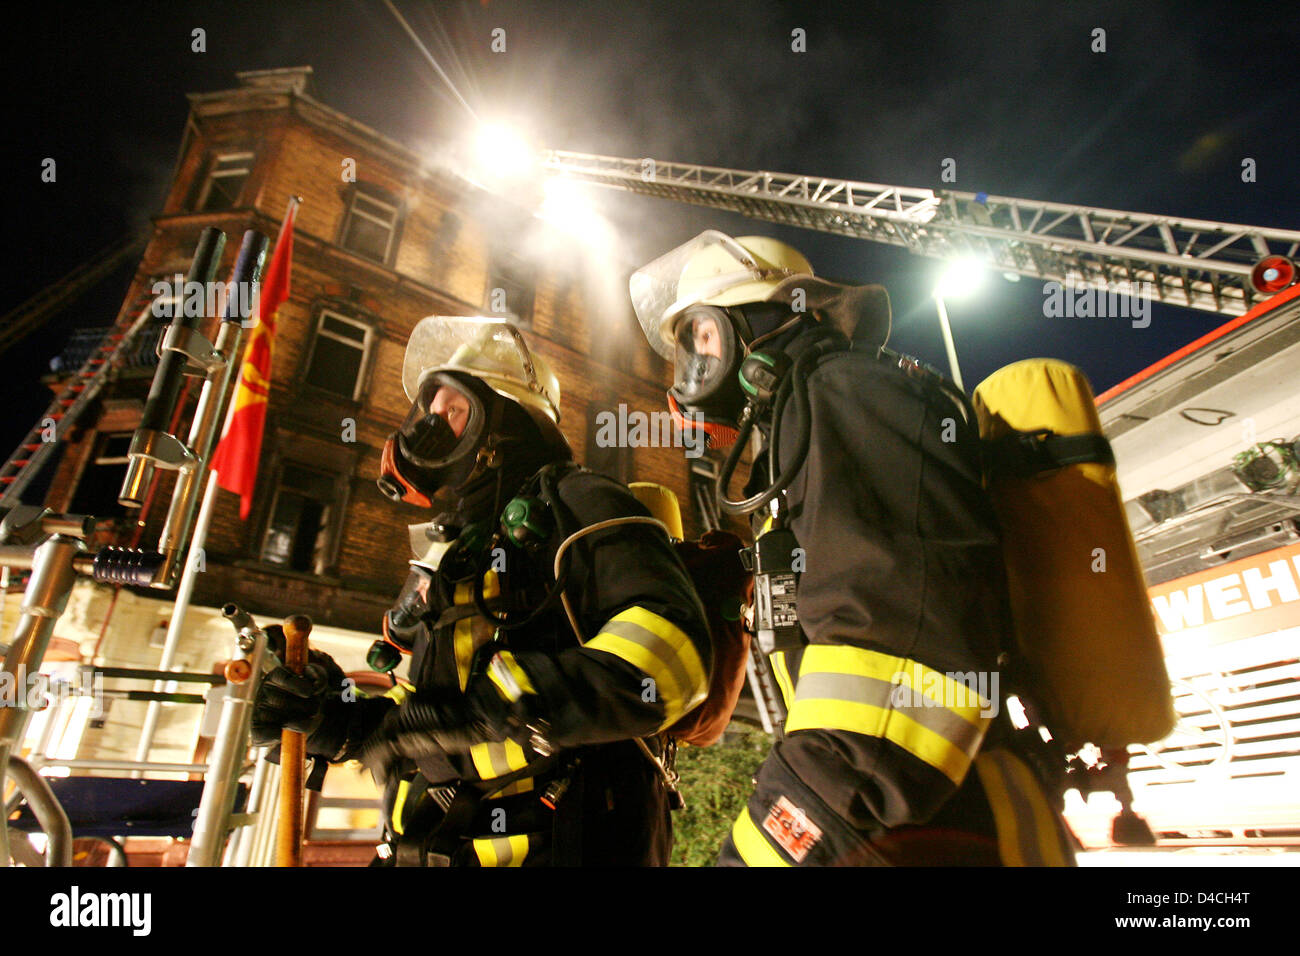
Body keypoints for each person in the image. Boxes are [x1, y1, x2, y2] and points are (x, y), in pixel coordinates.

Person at [631, 231, 1076, 866]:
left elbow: (897, 666)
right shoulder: (803, 428)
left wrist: (771, 846)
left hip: (937, 827)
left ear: (759, 321)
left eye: (698, 334)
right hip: (917, 818)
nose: (691, 362)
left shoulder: (843, 393)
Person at [253, 317, 711, 866]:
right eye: (431, 412)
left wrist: (514, 696)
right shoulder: (452, 547)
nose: (433, 428)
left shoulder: (580, 501)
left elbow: (675, 654)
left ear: (503, 421)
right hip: (425, 848)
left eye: (454, 411)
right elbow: (435, 708)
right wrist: (341, 719)